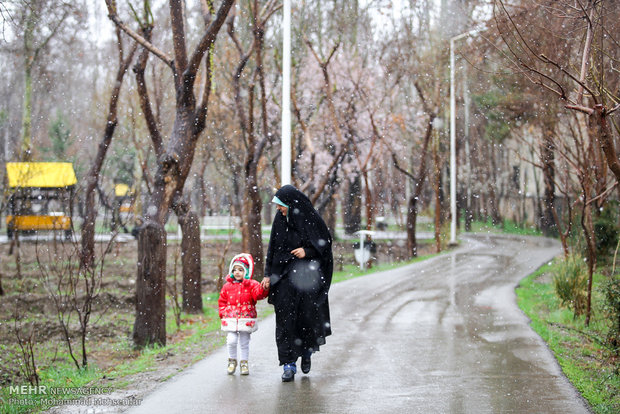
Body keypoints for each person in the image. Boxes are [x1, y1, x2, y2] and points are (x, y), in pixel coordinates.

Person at [261, 185, 333, 382]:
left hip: (307, 279)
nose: (278, 209)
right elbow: (272, 247)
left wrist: (307, 252)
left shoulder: (311, 218)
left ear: (290, 204)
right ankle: (288, 364)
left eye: (280, 206)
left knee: (306, 319)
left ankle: (307, 353)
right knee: (284, 321)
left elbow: (325, 244)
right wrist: (268, 274)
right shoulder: (279, 220)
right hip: (283, 277)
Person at [218, 253, 269, 375]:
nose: (237, 272)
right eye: (234, 270)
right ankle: (232, 360)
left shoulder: (251, 284)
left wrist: (264, 288)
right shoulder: (227, 286)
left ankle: (244, 362)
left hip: (246, 318)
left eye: (240, 270)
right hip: (230, 318)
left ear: (246, 271)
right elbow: (222, 301)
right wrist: (223, 313)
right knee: (231, 340)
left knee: (244, 342)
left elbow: (258, 294)